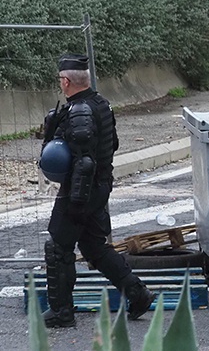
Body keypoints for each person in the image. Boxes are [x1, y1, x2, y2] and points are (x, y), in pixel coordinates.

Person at [39, 54, 156, 328]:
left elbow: (85, 161)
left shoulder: (80, 111)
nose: (60, 84)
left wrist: (77, 202)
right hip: (97, 187)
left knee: (58, 247)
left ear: (66, 81)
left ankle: (61, 312)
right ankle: (138, 294)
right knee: (93, 247)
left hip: (82, 190)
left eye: (60, 80)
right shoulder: (101, 104)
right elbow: (110, 144)